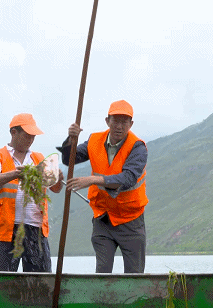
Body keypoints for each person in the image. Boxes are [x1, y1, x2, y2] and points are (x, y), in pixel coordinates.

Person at [60, 100, 149, 273]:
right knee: (102, 271)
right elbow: (68, 159)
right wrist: (70, 139)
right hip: (103, 217)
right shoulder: (94, 140)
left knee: (135, 274)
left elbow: (128, 178)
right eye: (115, 121)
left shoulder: (138, 147)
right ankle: (102, 291)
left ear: (131, 124)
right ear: (107, 121)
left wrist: (93, 180)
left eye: (124, 122)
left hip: (130, 220)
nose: (119, 126)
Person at [0, 113, 64, 272]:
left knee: (40, 280)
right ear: (14, 132)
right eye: (27, 135)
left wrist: (58, 178)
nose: (31, 139)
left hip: (35, 228)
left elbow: (55, 189)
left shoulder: (39, 158)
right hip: (4, 229)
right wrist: (15, 174)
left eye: (33, 136)